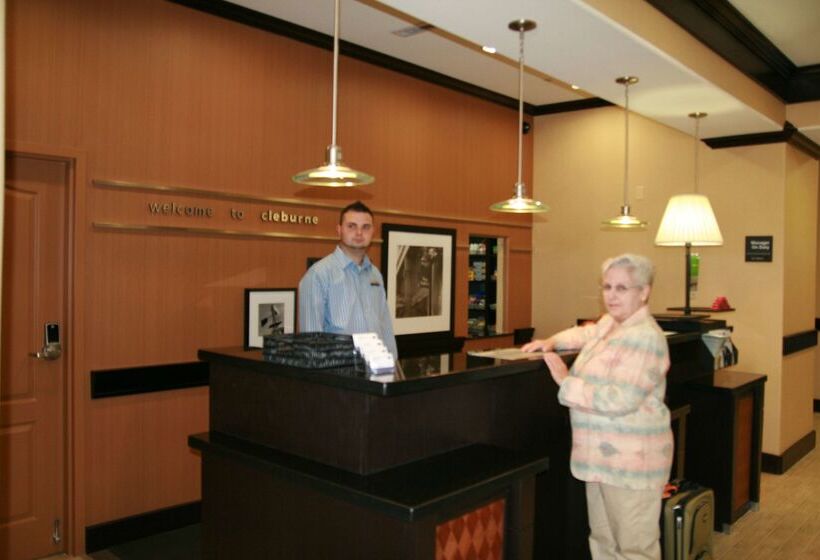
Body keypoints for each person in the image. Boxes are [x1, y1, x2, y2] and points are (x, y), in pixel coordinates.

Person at [522, 254, 672, 560]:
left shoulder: (646, 338)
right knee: (603, 541)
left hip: (631, 465)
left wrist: (566, 382)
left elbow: (621, 399)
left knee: (635, 549)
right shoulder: (612, 324)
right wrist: (552, 341)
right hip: (600, 461)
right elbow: (585, 333)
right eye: (607, 287)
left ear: (644, 292)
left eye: (622, 288)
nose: (611, 295)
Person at [298, 201, 398, 357]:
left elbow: (385, 327)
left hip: (377, 367)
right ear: (339, 230)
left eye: (365, 227)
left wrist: (393, 364)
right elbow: (312, 341)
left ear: (372, 232)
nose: (359, 233)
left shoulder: (375, 275)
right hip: (339, 370)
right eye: (351, 226)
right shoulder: (318, 275)